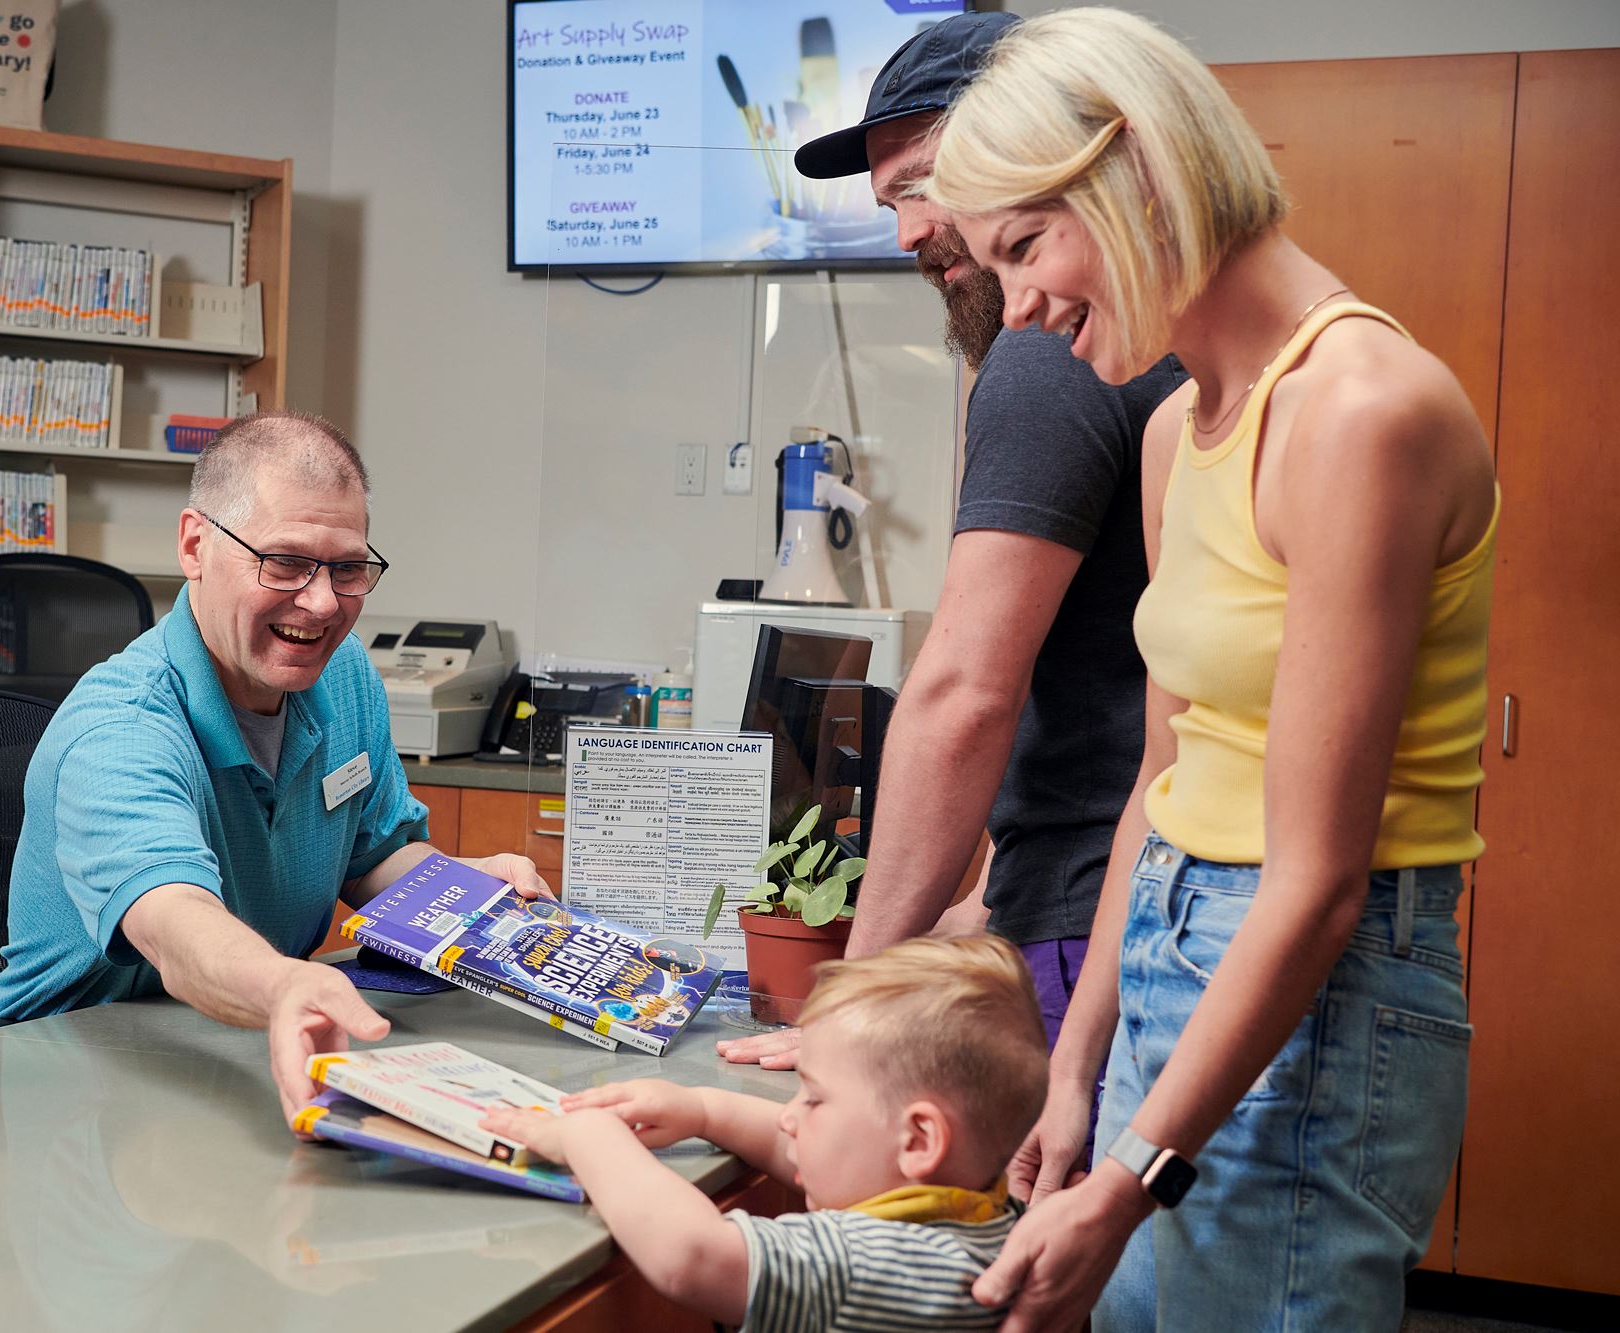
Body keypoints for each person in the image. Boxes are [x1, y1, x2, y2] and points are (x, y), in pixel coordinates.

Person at [924, 10, 1499, 1329]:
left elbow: (1317, 880)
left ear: (1133, 170)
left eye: (1027, 246)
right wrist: (1078, 1073)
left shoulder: (1362, 411)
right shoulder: (1177, 428)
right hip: (1174, 943)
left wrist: (1132, 1175)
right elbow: (1163, 778)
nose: (1019, 308)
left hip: (1317, 974)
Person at [719, 9, 1187, 1123]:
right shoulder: (1161, 354)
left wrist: (854, 993)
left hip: (1089, 921)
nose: (908, 234)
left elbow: (965, 690)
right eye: (889, 204)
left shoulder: (1044, 357)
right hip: (1124, 901)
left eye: (926, 184)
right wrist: (975, 904)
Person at [0, 412, 552, 1122]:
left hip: (236, 1049)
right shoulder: (118, 730)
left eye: (348, 568)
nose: (320, 603)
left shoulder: (342, 678)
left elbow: (377, 853)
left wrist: (468, 889)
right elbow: (177, 928)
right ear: (195, 545)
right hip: (76, 1086)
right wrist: (285, 988)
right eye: (284, 562)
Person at [481, 936, 1050, 1332]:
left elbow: (694, 1256)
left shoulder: (875, 1265)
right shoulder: (994, 1216)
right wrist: (703, 1109)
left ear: (920, 1140)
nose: (789, 1116)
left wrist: (587, 1134)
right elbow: (809, 1151)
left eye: (816, 1097)